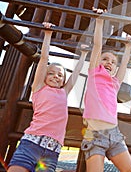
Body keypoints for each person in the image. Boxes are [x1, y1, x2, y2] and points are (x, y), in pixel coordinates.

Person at [8, 22, 88, 172]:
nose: (55, 77)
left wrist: (83, 55)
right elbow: (44, 59)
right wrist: (48, 35)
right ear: (44, 76)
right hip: (31, 144)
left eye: (60, 75)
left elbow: (76, 74)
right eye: (51, 73)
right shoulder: (39, 88)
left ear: (64, 81)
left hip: (52, 151)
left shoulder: (64, 92)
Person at [81, 7, 131, 172]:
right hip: (95, 135)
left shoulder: (115, 83)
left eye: (113, 62)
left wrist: (128, 47)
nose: (109, 63)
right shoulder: (94, 73)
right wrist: (99, 21)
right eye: (105, 59)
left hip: (114, 134)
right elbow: (97, 46)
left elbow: (124, 64)